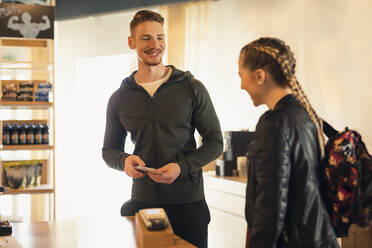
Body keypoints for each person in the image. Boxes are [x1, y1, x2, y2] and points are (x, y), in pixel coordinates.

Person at [102, 10, 223, 248]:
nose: (155, 44)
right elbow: (109, 150)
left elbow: (215, 141)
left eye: (160, 37)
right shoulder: (119, 98)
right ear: (132, 42)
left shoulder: (192, 88)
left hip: (189, 204)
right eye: (146, 38)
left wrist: (182, 167)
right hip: (144, 205)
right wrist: (124, 161)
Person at [238, 37, 340, 248]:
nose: (241, 86)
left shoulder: (273, 123)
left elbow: (271, 205)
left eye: (241, 76)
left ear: (259, 76)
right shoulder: (307, 115)